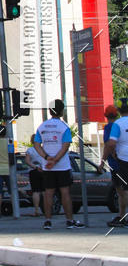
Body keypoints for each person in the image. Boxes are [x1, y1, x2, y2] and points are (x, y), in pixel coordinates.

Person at [33, 98, 84, 230]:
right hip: (62, 165)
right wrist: (55, 159)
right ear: (61, 111)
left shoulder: (42, 127)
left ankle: (48, 221)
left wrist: (46, 157)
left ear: (50, 111)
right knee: (65, 193)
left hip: (47, 166)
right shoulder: (64, 127)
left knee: (48, 193)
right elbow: (66, 146)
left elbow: (37, 144)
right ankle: (69, 220)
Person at [104, 100, 128, 227]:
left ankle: (122, 216)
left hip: (121, 161)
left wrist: (113, 154)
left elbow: (110, 144)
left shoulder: (116, 125)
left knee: (123, 190)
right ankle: (121, 216)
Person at [25, 134, 45, 217]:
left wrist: (35, 166)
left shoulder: (30, 150)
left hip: (34, 171)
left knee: (36, 191)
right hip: (44, 170)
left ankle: (37, 210)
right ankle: (47, 208)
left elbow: (27, 161)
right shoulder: (44, 150)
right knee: (45, 191)